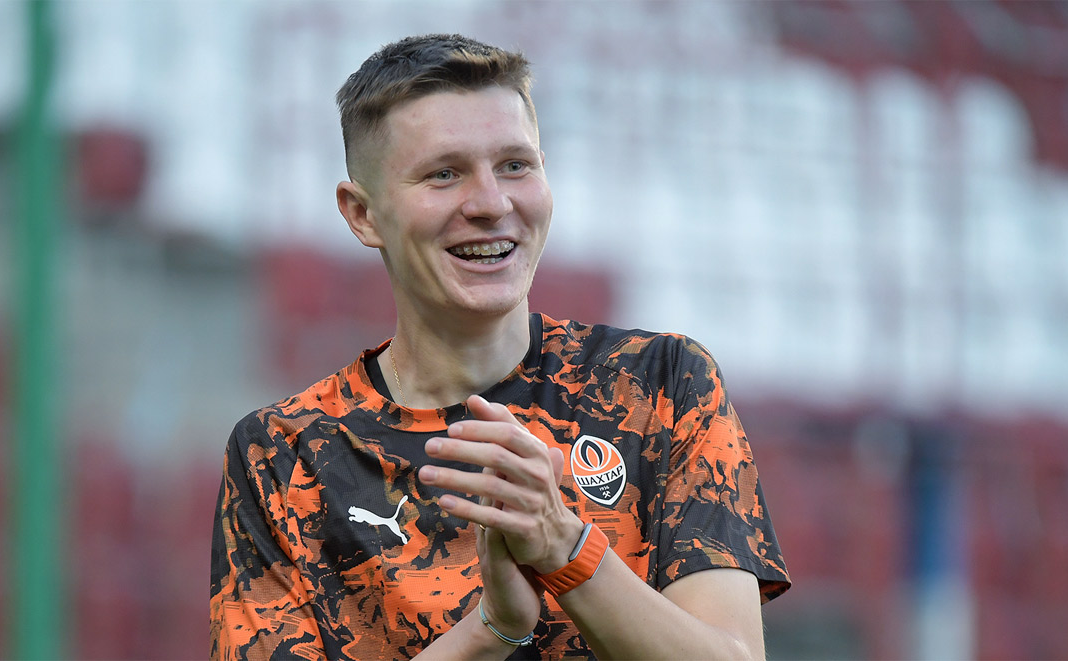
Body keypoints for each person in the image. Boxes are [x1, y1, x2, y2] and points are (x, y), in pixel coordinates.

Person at [211, 33, 790, 660]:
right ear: (362, 214)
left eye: (516, 165)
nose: (492, 203)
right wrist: (490, 631)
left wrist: (567, 549)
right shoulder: (283, 455)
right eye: (444, 174)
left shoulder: (659, 384)